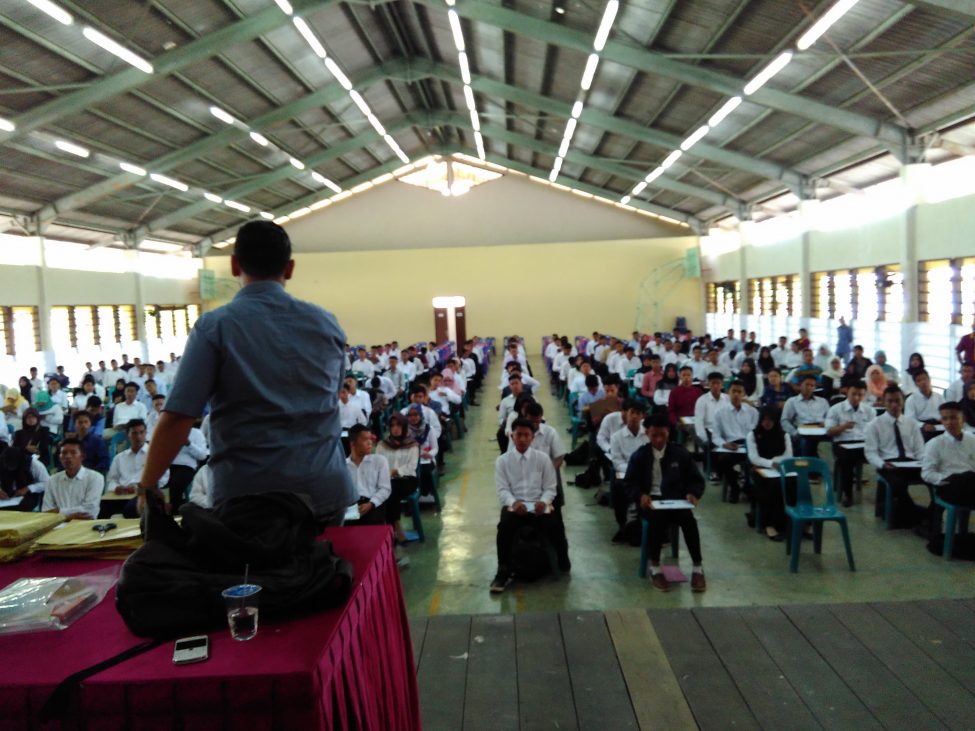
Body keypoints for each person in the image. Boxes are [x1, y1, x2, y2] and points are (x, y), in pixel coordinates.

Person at [139, 221, 355, 523]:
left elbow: (179, 417)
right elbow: (330, 395)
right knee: (324, 556)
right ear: (289, 268)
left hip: (251, 496)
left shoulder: (215, 327)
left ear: (234, 265)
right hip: (323, 489)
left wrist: (148, 485)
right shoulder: (326, 323)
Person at [625, 414, 706, 592]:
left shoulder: (680, 453)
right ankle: (655, 567)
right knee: (656, 520)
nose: (659, 439)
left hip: (676, 500)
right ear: (647, 433)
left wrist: (693, 494)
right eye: (654, 435)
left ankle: (697, 567)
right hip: (651, 501)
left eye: (662, 435)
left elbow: (695, 479)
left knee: (689, 520)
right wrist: (640, 496)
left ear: (668, 432)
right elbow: (629, 484)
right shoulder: (639, 456)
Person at [491, 419, 562, 594]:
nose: (522, 439)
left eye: (526, 435)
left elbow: (550, 487)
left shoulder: (543, 459)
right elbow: (502, 489)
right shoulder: (502, 461)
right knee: (504, 529)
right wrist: (514, 503)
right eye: (519, 435)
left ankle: (559, 563)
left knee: (555, 526)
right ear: (512, 437)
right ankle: (503, 570)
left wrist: (543, 502)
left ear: (532, 438)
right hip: (515, 507)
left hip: (539, 507)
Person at [864, 386, 926, 528]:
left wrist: (924, 463)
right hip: (888, 464)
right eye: (890, 401)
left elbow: (920, 449)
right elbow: (870, 453)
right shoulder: (874, 425)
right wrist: (882, 464)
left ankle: (925, 513)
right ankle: (917, 514)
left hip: (911, 463)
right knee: (898, 482)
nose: (894, 405)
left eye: (897, 401)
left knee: (933, 480)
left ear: (903, 401)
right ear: (883, 402)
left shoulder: (911, 423)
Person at [747, 405, 795, 541]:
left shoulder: (784, 435)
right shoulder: (753, 435)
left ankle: (796, 521)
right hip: (761, 471)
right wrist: (771, 464)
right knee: (770, 487)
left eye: (770, 419)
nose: (767, 423)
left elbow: (788, 455)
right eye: (764, 419)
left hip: (781, 470)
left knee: (795, 483)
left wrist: (774, 462)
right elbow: (754, 458)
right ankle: (769, 524)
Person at [825, 381, 875, 506]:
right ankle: (847, 494)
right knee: (846, 460)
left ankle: (884, 498)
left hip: (863, 444)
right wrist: (843, 427)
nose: (856, 398)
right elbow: (829, 431)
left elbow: (875, 430)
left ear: (864, 395)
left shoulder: (869, 410)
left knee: (884, 457)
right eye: (853, 394)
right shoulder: (835, 409)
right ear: (847, 392)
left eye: (860, 395)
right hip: (842, 444)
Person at [106, 420, 170, 519]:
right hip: (121, 495)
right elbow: (111, 480)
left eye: (141, 432)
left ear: (146, 433)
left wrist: (144, 487)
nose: (138, 437)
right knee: (102, 509)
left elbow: (164, 477)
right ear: (128, 435)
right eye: (134, 433)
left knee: (130, 510)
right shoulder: (119, 458)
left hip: (145, 494)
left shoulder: (155, 454)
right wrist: (117, 488)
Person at [710, 381, 759, 503]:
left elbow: (757, 433)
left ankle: (748, 486)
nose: (736, 394)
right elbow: (715, 436)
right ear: (728, 393)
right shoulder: (720, 413)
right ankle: (734, 486)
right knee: (722, 460)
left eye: (739, 392)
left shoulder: (753, 412)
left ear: (744, 394)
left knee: (756, 461)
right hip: (731, 446)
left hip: (749, 445)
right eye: (733, 391)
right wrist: (724, 444)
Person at [922, 402, 975, 513]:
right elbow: (927, 473)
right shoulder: (935, 443)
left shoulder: (972, 439)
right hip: (949, 486)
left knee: (969, 478)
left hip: (971, 482)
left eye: (953, 418)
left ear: (963, 419)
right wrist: (947, 479)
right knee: (963, 479)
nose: (949, 422)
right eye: (945, 419)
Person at [376, 413, 419, 545]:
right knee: (389, 492)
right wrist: (387, 474)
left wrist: (395, 471)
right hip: (388, 480)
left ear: (404, 426)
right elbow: (377, 464)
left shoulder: (412, 444)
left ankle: (393, 530)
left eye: (399, 425)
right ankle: (396, 526)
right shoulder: (382, 444)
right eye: (392, 425)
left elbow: (411, 467)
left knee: (390, 492)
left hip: (407, 479)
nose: (395, 428)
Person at [41, 438, 104, 520]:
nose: (68, 456)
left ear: (82, 456)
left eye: (73, 452)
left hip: (84, 525)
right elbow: (46, 512)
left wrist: (59, 511)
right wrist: (69, 516)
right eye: (64, 453)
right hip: (58, 525)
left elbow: (89, 511)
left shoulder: (95, 477)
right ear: (59, 457)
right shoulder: (52, 479)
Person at [344, 424, 391, 527]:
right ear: (353, 443)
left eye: (370, 439)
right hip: (351, 506)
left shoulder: (379, 461)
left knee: (371, 526)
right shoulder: (343, 465)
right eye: (365, 439)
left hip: (372, 503)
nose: (370, 442)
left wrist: (371, 503)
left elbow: (385, 488)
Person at [780, 375, 829, 457]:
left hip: (821, 431)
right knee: (806, 444)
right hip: (803, 433)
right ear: (800, 385)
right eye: (807, 384)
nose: (809, 387)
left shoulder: (822, 401)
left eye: (812, 385)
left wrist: (826, 423)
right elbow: (784, 421)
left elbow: (830, 419)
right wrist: (795, 433)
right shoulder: (792, 401)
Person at [0, 446, 49, 512]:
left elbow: (47, 483)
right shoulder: (2, 463)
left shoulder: (34, 465)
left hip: (28, 495)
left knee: (21, 508)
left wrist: (28, 488)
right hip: (6, 496)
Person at [905, 370, 944, 442]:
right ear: (916, 384)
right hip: (922, 426)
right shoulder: (911, 399)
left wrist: (942, 419)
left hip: (939, 424)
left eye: (925, 379)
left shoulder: (939, 397)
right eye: (919, 380)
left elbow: (945, 413)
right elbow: (909, 420)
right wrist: (923, 425)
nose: (923, 382)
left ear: (929, 380)